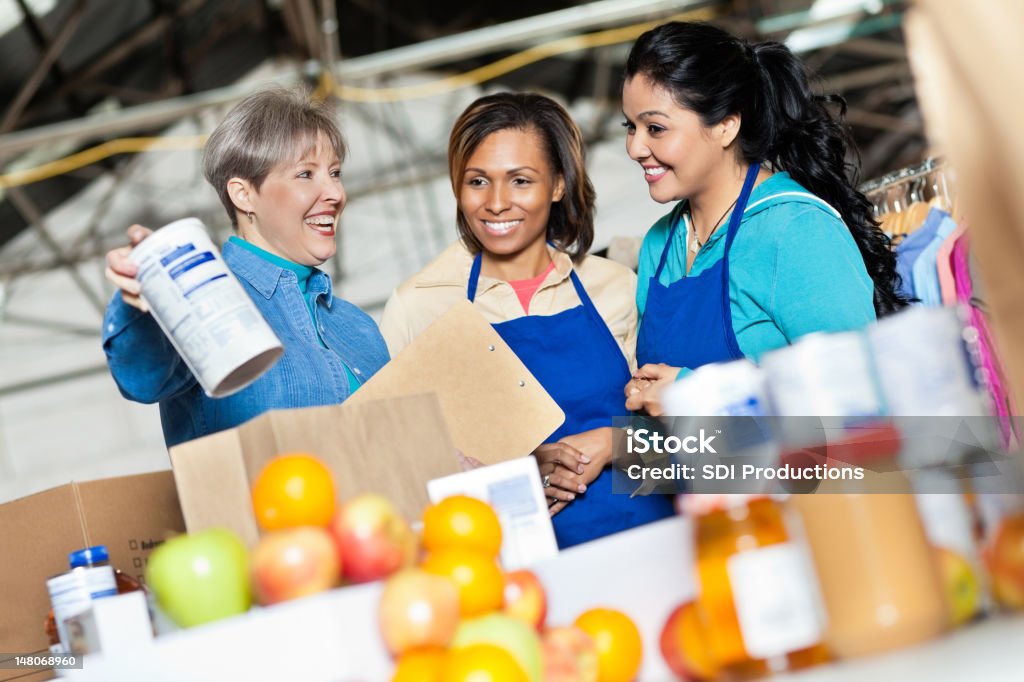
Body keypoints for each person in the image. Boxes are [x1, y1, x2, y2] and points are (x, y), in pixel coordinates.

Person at [380, 92, 674, 548]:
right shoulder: (420, 304)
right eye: (478, 181)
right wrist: (508, 470)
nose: (496, 203)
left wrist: (616, 443)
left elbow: (694, 443)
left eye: (520, 181)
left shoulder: (615, 287)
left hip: (655, 540)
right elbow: (394, 470)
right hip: (517, 572)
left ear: (557, 184)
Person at [620, 22, 907, 415]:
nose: (635, 147)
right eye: (630, 127)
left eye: (655, 128)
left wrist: (696, 393)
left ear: (726, 125)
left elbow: (859, 392)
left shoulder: (795, 230)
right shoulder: (660, 241)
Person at [102, 88, 389, 447]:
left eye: (335, 172)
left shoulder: (357, 326)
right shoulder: (205, 302)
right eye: (306, 174)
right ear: (243, 194)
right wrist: (145, 296)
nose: (334, 193)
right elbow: (143, 377)